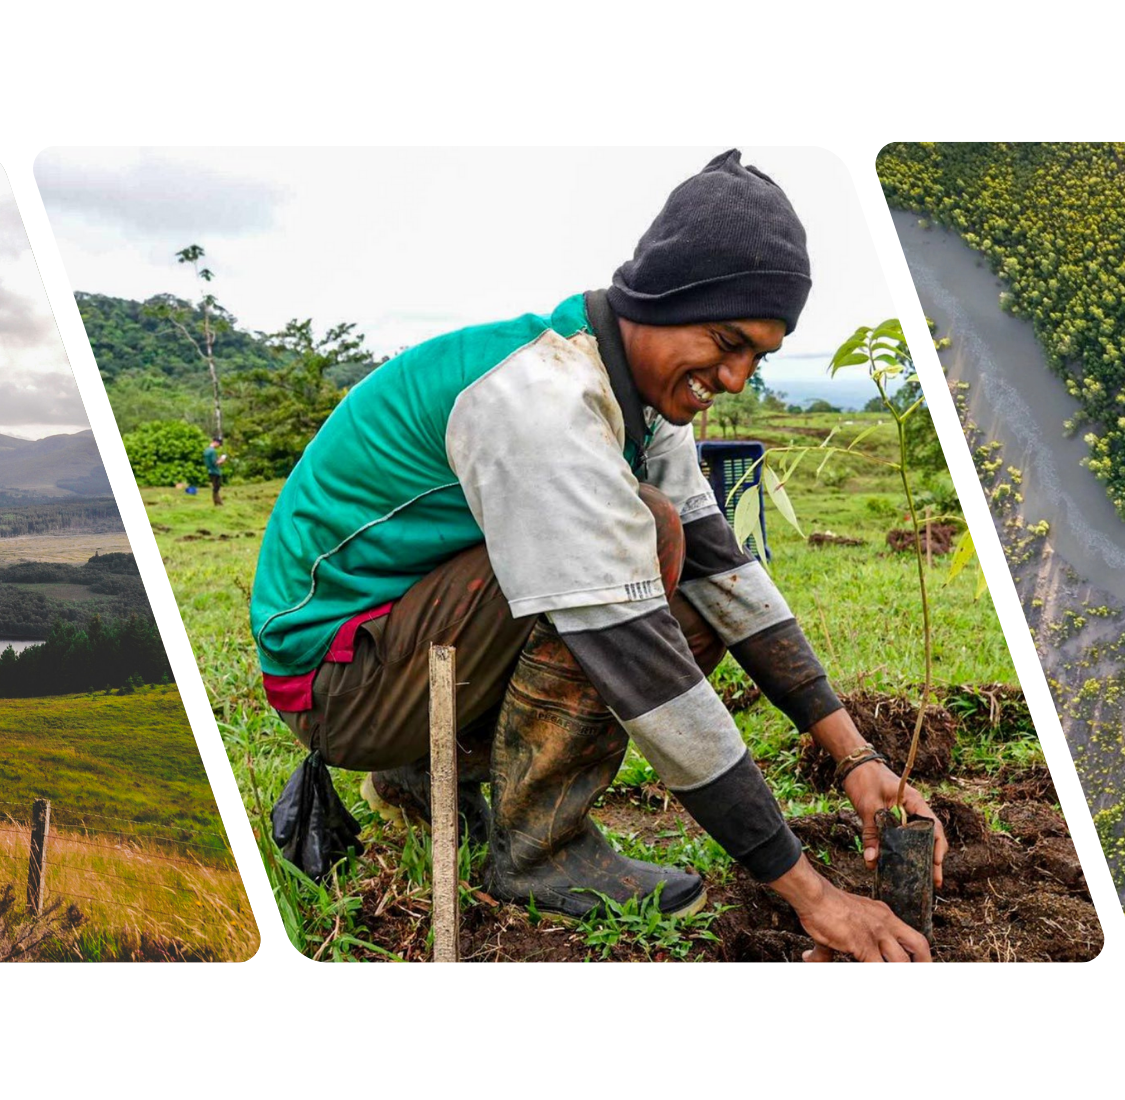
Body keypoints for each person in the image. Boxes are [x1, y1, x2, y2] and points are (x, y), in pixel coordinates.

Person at [249, 151, 940, 961]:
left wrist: (856, 757)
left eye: (760, 355)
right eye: (727, 340)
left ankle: (426, 776)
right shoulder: (538, 399)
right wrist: (812, 895)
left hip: (402, 646)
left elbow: (729, 578)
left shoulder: (639, 401)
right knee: (635, 552)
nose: (738, 376)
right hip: (335, 683)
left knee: (679, 565)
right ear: (664, 299)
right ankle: (538, 850)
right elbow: (636, 653)